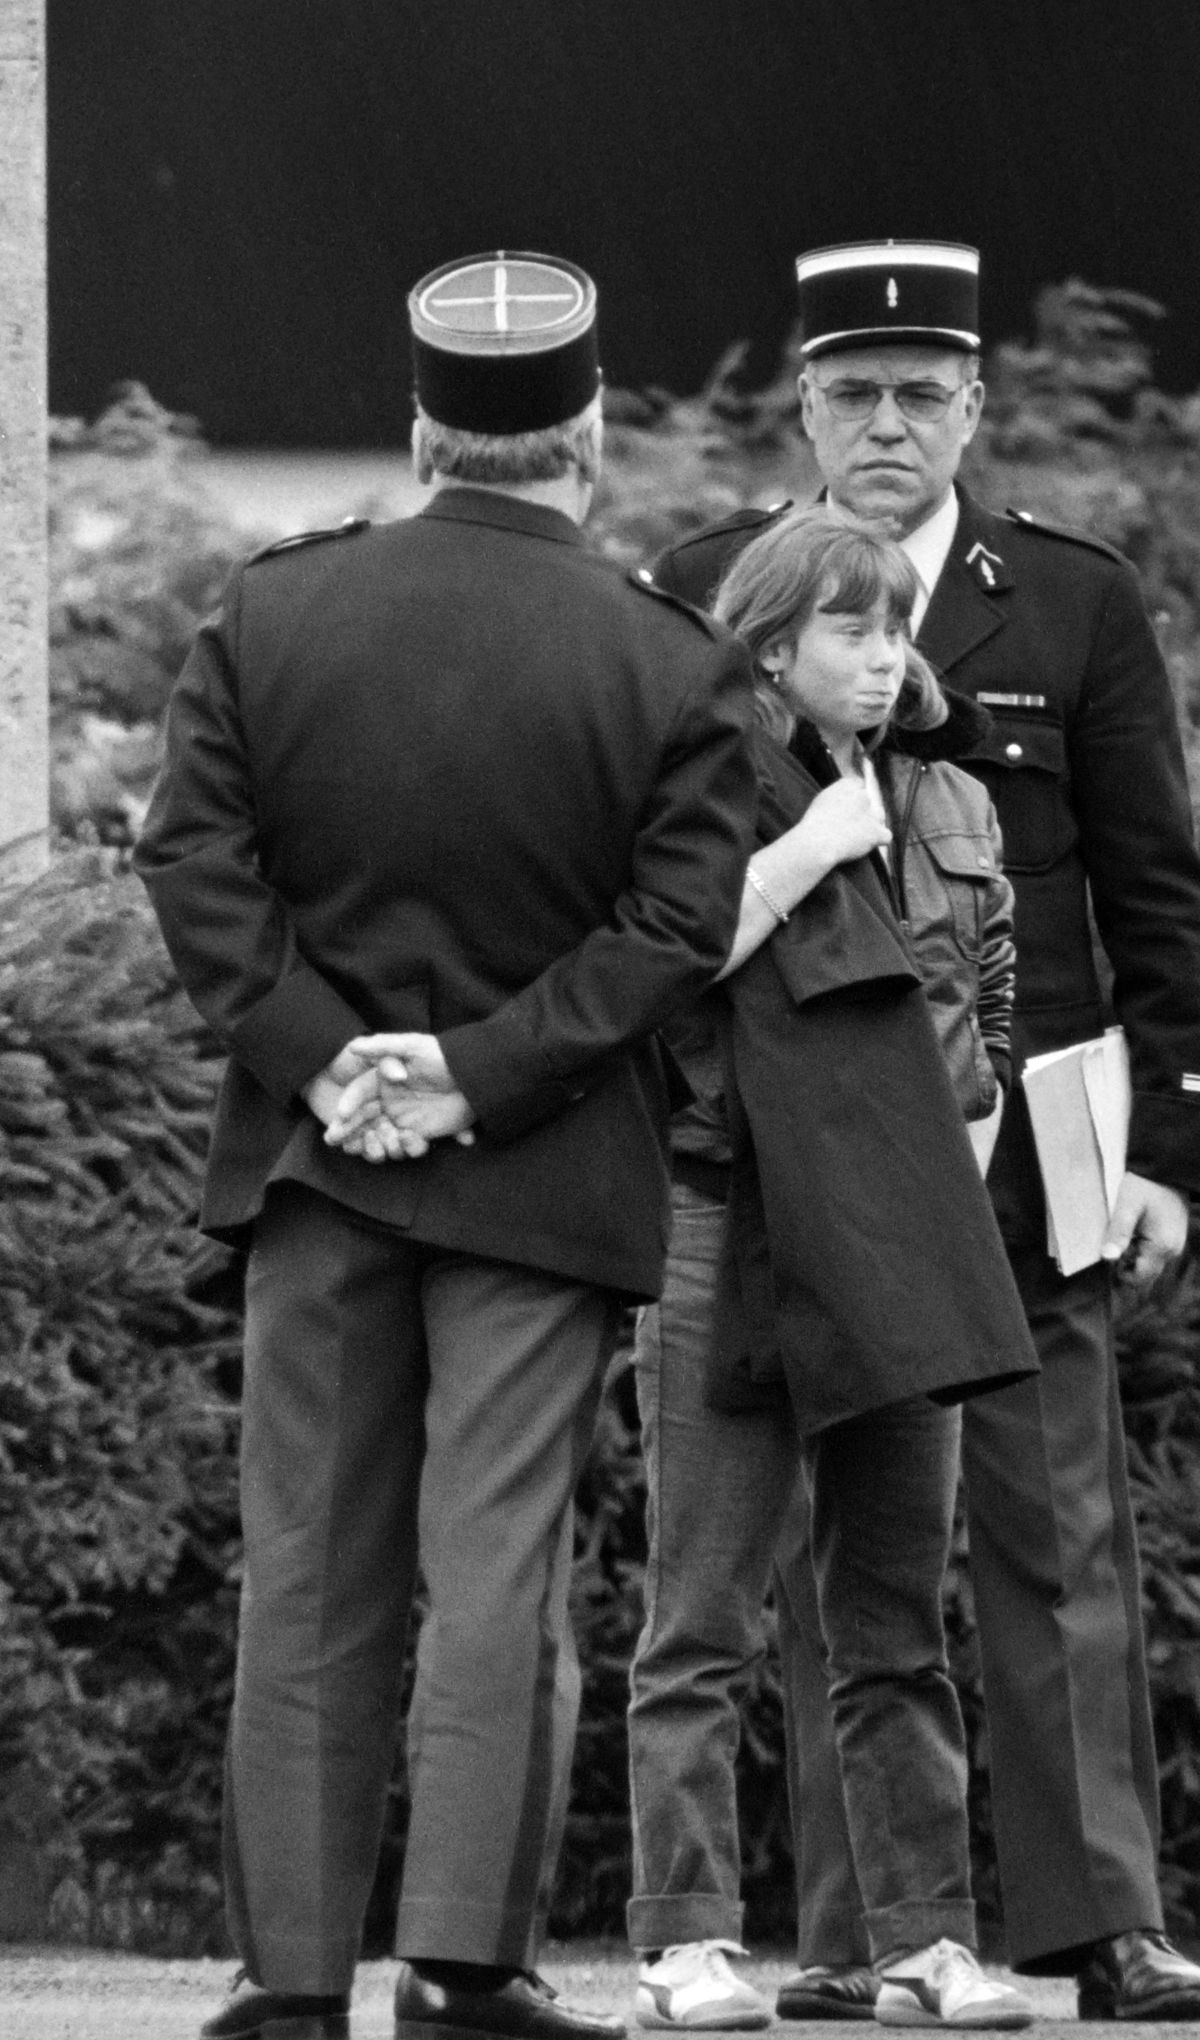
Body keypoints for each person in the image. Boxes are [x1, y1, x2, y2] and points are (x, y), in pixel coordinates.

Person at [134, 252, 758, 2040]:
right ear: (592, 434)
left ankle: (292, 1979)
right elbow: (674, 930)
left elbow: (190, 862)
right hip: (540, 1173)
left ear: (423, 434)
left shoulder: (272, 614)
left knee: (309, 1575)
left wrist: (329, 1060)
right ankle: (465, 1966)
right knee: (494, 1577)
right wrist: (477, 1072)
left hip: (322, 1165)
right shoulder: (669, 657)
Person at [656, 242, 1200, 2022]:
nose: (886, 424)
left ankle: (1103, 1924)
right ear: (802, 406)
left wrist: (1174, 1142)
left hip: (1019, 1139)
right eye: (852, 393)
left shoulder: (1067, 597)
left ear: (975, 408)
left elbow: (1152, 888)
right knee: (835, 1562)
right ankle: (864, 1939)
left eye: (922, 394)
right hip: (793, 1145)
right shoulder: (702, 589)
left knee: (1058, 1537)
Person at [629, 510, 1038, 2033]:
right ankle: (684, 1945)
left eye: (895, 628)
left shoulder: (937, 784)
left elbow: (989, 990)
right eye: (851, 630)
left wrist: (972, 1140)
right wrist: (804, 851)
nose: (883, 658)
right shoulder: (700, 778)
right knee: (703, 1611)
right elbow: (656, 967)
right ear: (770, 641)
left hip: (900, 1223)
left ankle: (924, 1944)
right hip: (724, 1213)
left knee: (893, 1620)